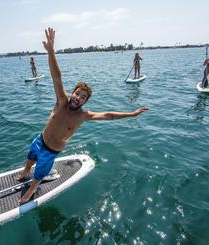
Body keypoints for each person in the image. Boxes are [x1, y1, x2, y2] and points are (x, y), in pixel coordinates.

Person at [17, 28, 149, 204]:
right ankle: (26, 170)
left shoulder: (83, 115)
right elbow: (57, 76)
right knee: (31, 155)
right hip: (41, 139)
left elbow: (108, 116)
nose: (78, 98)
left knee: (40, 171)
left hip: (51, 151)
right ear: (72, 92)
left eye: (83, 97)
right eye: (77, 93)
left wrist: (131, 114)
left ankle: (32, 188)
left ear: (85, 102)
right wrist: (51, 52)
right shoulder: (61, 101)